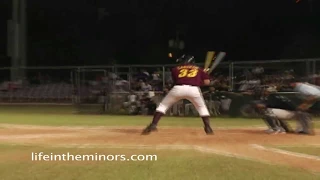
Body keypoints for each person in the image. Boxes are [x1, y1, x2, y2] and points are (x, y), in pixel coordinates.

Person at [141, 54, 213, 135]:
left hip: (178, 88)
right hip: (194, 89)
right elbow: (207, 82)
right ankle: (208, 128)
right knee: (201, 108)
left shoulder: (175, 69)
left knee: (163, 106)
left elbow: (176, 80)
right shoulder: (199, 69)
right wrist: (201, 79)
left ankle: (153, 125)